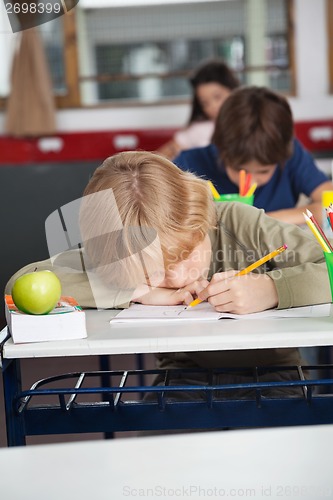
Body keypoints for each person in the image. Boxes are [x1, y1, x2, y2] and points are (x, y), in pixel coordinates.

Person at [5, 151, 331, 398]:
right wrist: (135, 290)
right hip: (180, 380)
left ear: (202, 220)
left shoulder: (238, 224)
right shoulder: (119, 251)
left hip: (279, 375)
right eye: (153, 271)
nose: (175, 278)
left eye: (187, 255)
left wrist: (273, 289)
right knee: (154, 466)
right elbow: (21, 283)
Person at [174, 86, 333, 225]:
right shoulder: (188, 164)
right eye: (240, 170)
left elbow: (330, 204)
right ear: (221, 149)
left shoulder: (290, 154)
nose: (250, 182)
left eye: (263, 171)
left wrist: (261, 222)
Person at [156, 59, 240, 160]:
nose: (212, 106)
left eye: (217, 97)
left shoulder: (249, 124)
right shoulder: (199, 130)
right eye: (205, 103)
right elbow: (161, 156)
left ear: (233, 90)